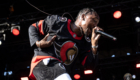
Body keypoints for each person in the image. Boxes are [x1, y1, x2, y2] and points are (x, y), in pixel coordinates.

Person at [28, 8, 103, 80]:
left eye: (97, 23)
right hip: (44, 62)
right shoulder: (58, 22)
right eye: (94, 20)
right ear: (83, 17)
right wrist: (38, 43)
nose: (95, 25)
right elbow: (34, 27)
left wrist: (94, 45)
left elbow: (88, 66)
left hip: (61, 71)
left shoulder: (85, 42)